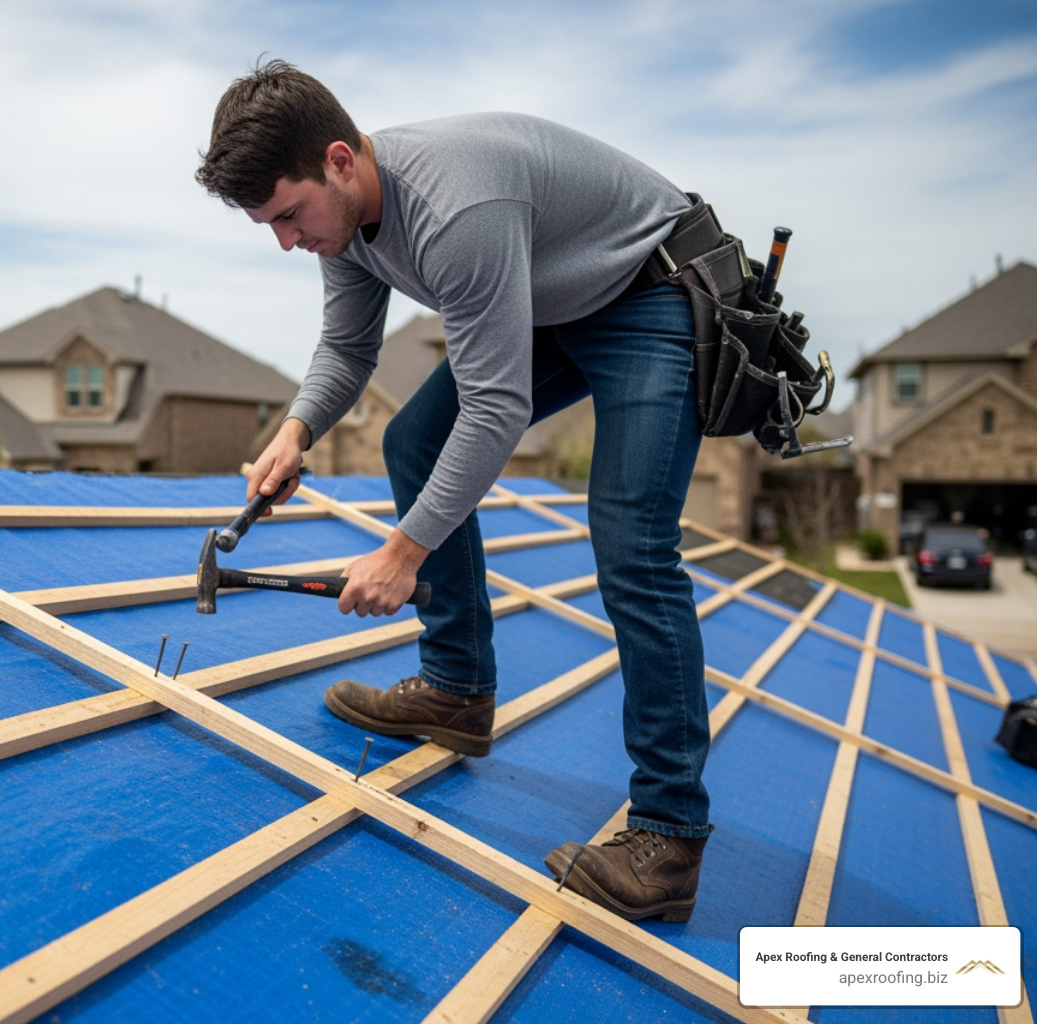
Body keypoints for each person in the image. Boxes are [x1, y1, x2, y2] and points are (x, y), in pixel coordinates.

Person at [195, 59, 714, 924]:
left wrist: (405, 552)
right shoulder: (347, 222)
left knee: (632, 544)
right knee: (413, 436)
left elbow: (498, 404)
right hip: (559, 295)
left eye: (287, 215)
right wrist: (294, 431)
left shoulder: (455, 211)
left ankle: (667, 835)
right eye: (267, 227)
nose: (286, 241)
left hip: (651, 291)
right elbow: (348, 348)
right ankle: (458, 689)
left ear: (339, 160)